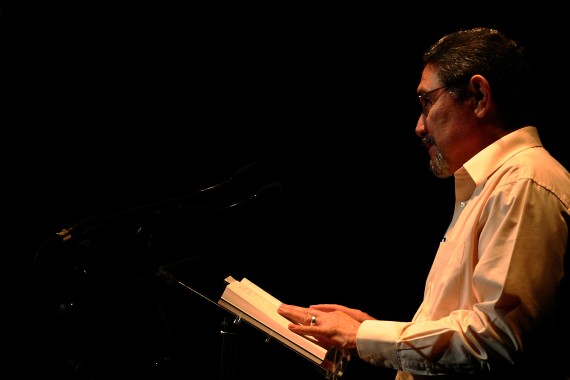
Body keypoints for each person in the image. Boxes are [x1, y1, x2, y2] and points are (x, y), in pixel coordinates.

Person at [277, 27, 570, 379]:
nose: (419, 126)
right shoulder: (492, 185)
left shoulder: (523, 182)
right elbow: (468, 328)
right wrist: (375, 330)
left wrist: (363, 336)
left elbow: (497, 340)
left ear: (478, 96)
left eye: (427, 102)